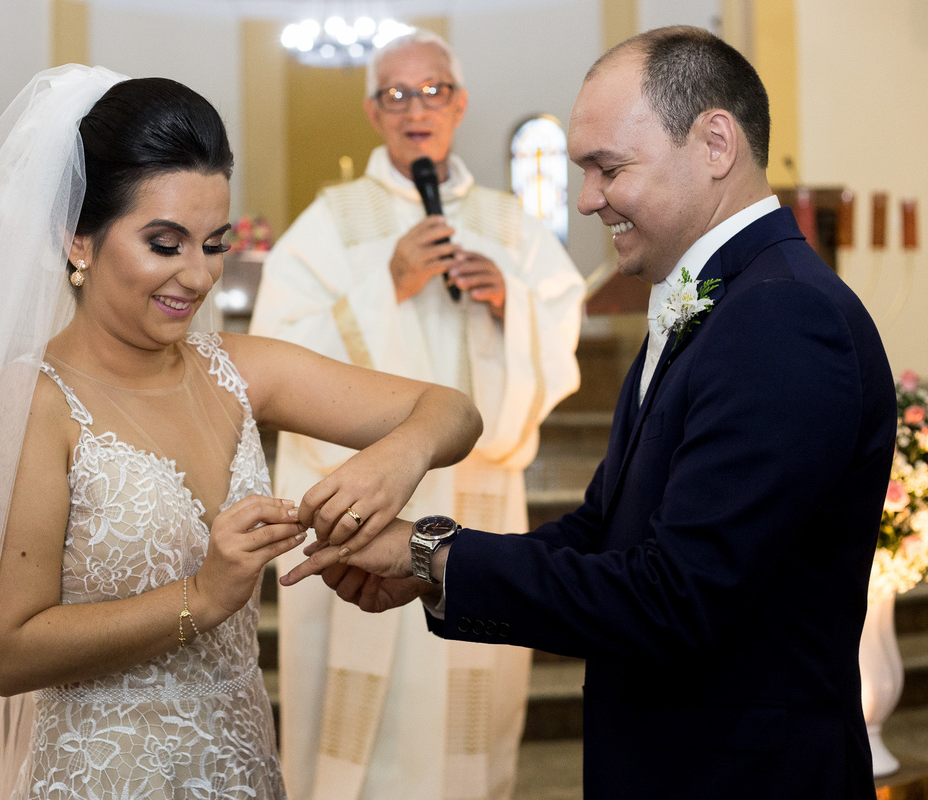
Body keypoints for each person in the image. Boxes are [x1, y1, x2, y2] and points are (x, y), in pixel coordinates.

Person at [285, 26, 896, 800]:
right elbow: (604, 530)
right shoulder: (722, 302)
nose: (584, 199)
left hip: (739, 774)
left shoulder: (783, 319)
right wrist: (426, 560)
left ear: (715, 144)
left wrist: (433, 554)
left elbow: (674, 598)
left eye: (608, 167)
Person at [0, 65, 482, 800]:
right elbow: (5, 652)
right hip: (108, 778)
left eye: (213, 243)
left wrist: (395, 461)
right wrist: (201, 594)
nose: (196, 277)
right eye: (165, 244)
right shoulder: (34, 402)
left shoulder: (239, 369)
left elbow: (452, 411)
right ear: (80, 242)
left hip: (245, 768)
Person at [248, 29, 585, 800]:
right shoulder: (331, 224)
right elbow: (272, 357)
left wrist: (511, 305)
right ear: (373, 111)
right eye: (396, 95)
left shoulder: (508, 225)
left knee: (468, 721)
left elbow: (560, 327)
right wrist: (386, 288)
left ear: (460, 103)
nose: (415, 110)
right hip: (367, 508)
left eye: (432, 91)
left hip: (478, 502)